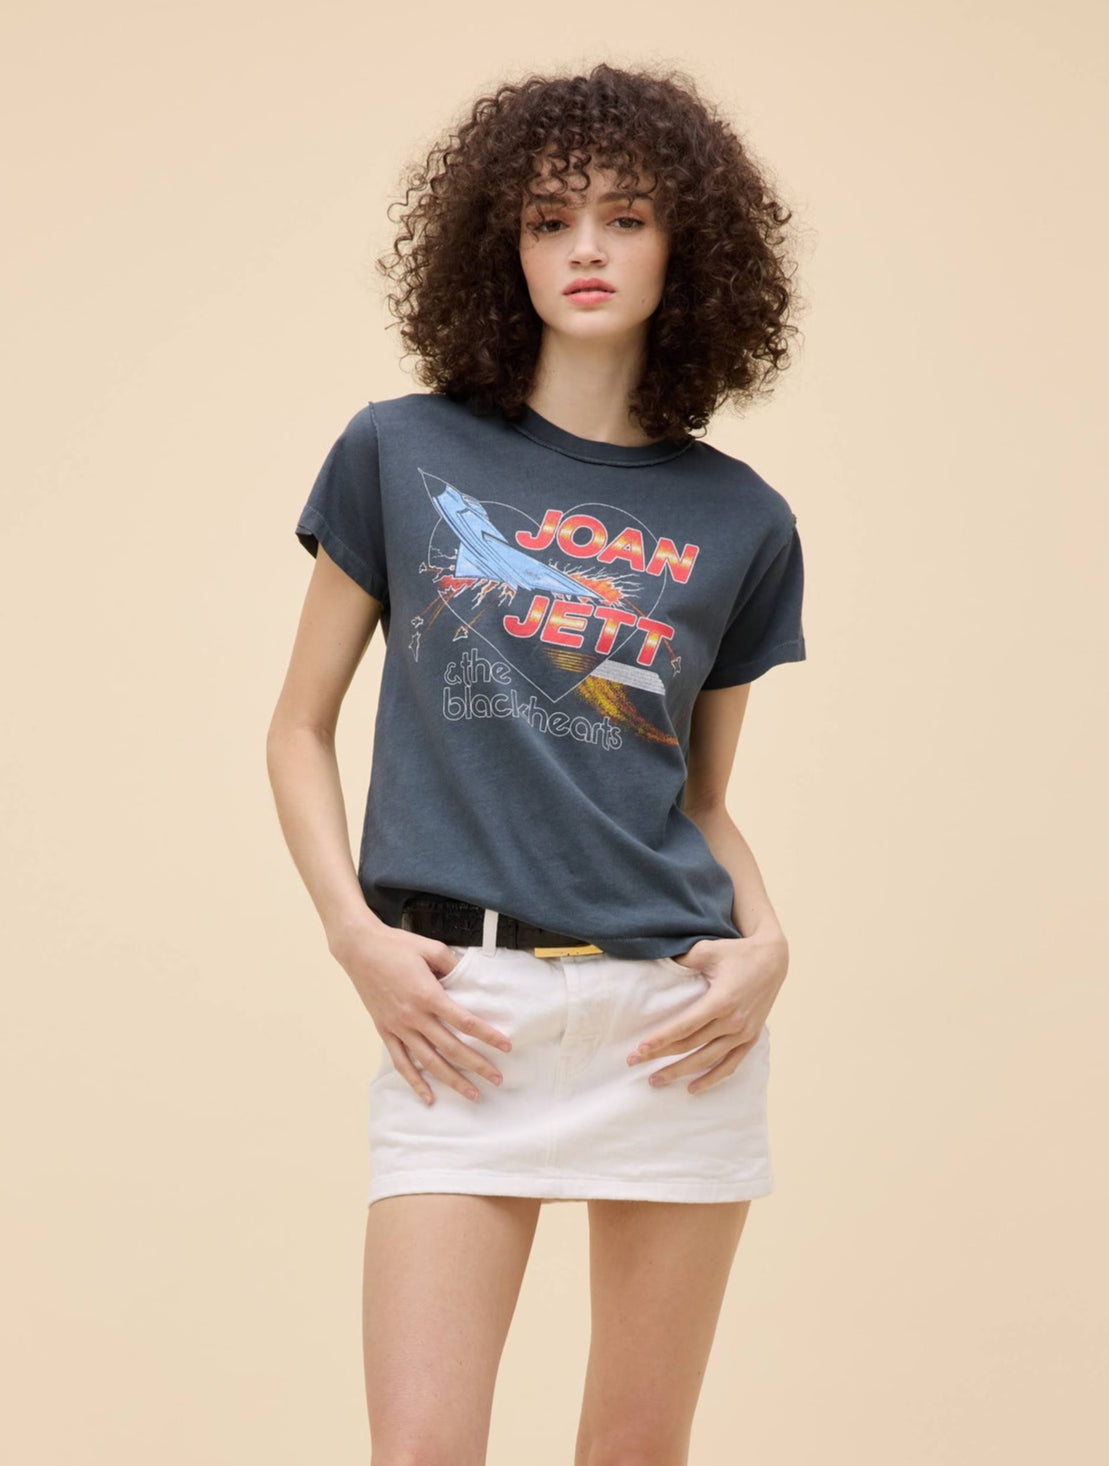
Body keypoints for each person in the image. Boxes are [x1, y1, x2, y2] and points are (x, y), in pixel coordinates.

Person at [267, 60, 808, 1466]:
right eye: (549, 219)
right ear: (498, 247)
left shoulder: (742, 520)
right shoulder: (399, 452)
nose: (585, 249)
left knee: (634, 1452)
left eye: (626, 217)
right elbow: (297, 727)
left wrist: (768, 944)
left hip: (672, 1022)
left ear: (686, 247)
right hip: (466, 1013)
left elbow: (698, 796)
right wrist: (354, 935)